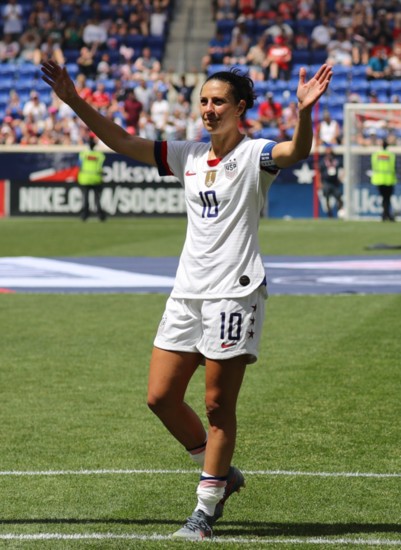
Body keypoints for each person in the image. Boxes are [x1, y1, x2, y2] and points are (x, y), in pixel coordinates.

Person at [41, 58, 332, 541]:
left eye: (219, 102)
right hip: (187, 293)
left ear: (240, 108)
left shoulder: (256, 154)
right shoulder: (188, 155)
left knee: (218, 406)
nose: (208, 109)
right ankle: (221, 472)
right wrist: (73, 100)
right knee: (160, 397)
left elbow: (296, 151)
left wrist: (304, 113)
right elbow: (122, 141)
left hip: (234, 294)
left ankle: (205, 507)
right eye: (203, 101)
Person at [77, 135, 107, 221]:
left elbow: (79, 165)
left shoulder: (83, 154)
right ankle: (100, 215)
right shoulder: (99, 155)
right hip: (96, 179)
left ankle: (85, 215)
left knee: (85, 198)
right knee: (97, 198)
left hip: (85, 179)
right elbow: (101, 166)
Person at [370, 140, 397, 222]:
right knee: (387, 198)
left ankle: (385, 214)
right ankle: (387, 214)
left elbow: (373, 166)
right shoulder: (391, 155)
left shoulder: (376, 155)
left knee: (384, 198)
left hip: (379, 179)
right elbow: (393, 167)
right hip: (389, 179)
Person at [319, 146, 343, 218]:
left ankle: (340, 211)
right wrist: (320, 182)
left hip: (335, 182)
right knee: (327, 199)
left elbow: (342, 169)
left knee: (339, 197)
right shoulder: (323, 162)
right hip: (326, 182)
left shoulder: (336, 161)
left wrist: (341, 178)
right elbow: (319, 172)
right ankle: (329, 213)